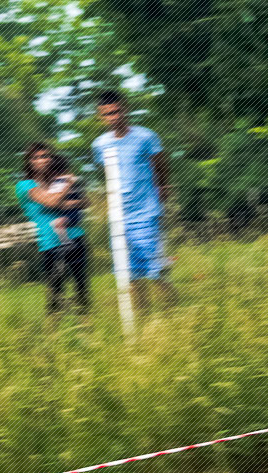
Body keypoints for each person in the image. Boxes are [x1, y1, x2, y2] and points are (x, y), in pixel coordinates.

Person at [91, 89, 174, 310]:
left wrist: (163, 187)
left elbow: (161, 165)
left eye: (117, 112)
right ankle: (143, 319)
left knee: (156, 271)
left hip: (146, 212)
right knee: (129, 274)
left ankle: (173, 312)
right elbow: (106, 175)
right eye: (107, 114)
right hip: (119, 218)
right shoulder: (99, 145)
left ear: (125, 109)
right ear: (100, 116)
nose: (113, 117)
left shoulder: (146, 137)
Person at [16, 142, 89, 316]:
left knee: (82, 291)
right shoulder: (25, 185)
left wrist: (64, 197)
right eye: (36, 157)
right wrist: (67, 184)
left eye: (45, 156)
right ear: (29, 161)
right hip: (51, 244)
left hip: (76, 236)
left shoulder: (56, 180)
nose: (42, 160)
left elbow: (86, 202)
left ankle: (87, 328)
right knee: (55, 297)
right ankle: (52, 332)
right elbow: (52, 202)